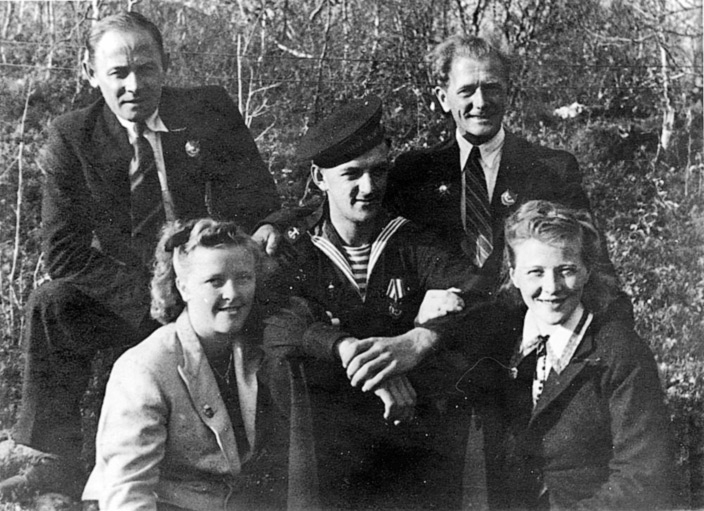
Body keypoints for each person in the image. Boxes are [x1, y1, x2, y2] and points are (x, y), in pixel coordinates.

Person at [0, 11, 280, 499]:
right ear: (91, 74)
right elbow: (64, 253)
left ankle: (265, 458)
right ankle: (52, 458)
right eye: (119, 73)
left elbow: (259, 200)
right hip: (134, 296)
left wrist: (262, 232)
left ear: (165, 65)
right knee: (52, 303)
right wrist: (154, 297)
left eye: (146, 69)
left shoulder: (208, 110)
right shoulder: (74, 136)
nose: (135, 85)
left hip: (213, 289)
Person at [263, 96, 491, 510]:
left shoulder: (412, 242)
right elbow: (273, 320)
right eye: (351, 174)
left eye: (378, 171)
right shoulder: (296, 248)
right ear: (319, 178)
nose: (368, 188)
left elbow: (481, 297)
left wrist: (420, 340)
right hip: (326, 447)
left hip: (404, 447)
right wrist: (344, 348)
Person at [81, 219, 294, 510]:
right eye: (215, 281)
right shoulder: (145, 368)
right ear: (183, 287)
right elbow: (127, 492)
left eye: (244, 278)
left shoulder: (255, 349)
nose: (233, 293)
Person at [498, 200, 677, 509]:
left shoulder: (620, 352)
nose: (551, 287)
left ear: (586, 270)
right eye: (535, 272)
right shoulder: (502, 344)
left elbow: (642, 477)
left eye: (566, 270)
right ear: (514, 275)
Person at [387, 35, 601, 293]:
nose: (481, 102)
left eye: (491, 88)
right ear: (443, 98)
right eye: (467, 91)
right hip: (443, 315)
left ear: (507, 93)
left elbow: (593, 263)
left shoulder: (553, 170)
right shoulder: (414, 173)